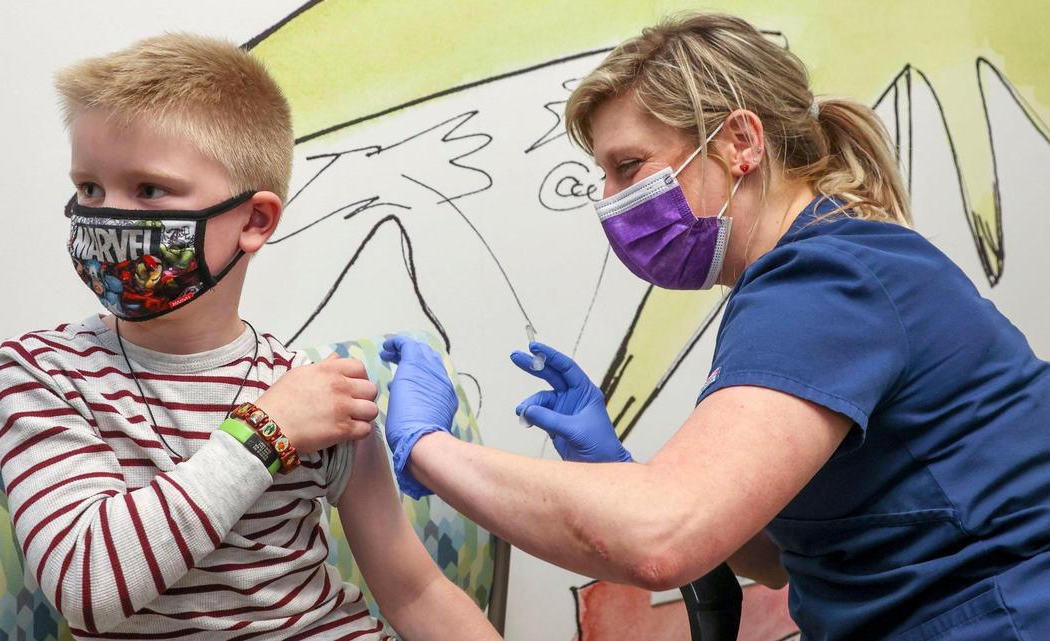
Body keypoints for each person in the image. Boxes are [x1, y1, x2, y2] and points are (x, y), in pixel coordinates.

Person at [379, 13, 1050, 641]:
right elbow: (779, 558)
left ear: (739, 143)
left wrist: (428, 448)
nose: (609, 202)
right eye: (602, 176)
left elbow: (661, 542)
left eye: (628, 166)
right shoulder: (815, 271)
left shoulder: (825, 283)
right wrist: (619, 476)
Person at [0, 34, 500, 641]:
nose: (107, 216)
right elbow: (87, 585)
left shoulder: (314, 391)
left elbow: (414, 590)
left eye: (148, 190)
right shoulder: (43, 372)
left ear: (254, 220)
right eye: (89, 189)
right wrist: (266, 431)